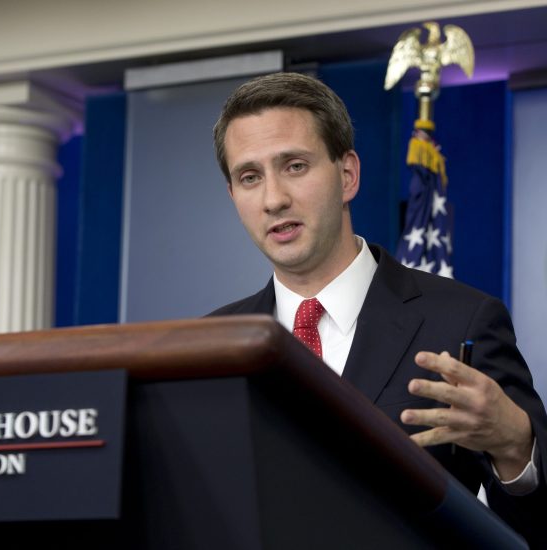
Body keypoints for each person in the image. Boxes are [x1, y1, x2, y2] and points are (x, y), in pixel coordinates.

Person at [209, 72, 546, 544]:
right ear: (233, 196)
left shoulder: (461, 320)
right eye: (250, 177)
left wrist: (516, 446)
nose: (273, 199)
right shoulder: (213, 345)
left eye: (295, 166)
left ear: (347, 175)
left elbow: (533, 530)